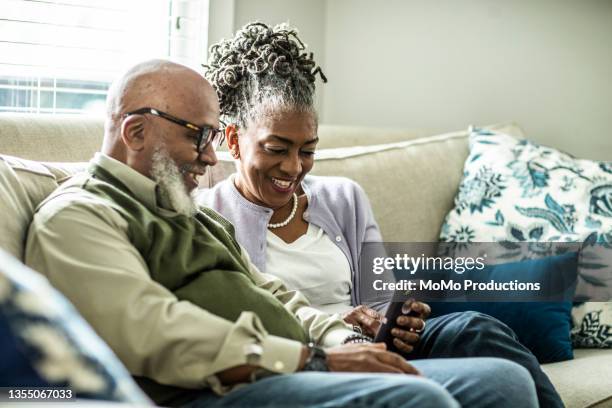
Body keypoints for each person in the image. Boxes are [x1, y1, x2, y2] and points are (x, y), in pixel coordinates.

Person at [24, 59, 537, 408]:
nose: (208, 157)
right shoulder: (80, 215)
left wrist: (349, 342)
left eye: (209, 137)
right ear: (136, 132)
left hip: (303, 363)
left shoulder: (189, 215)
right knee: (418, 398)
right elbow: (153, 330)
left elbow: (277, 296)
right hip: (214, 388)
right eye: (198, 136)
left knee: (503, 381)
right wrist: (319, 358)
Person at [199, 22, 563, 408]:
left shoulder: (344, 197)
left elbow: (380, 301)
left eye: (307, 150)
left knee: (474, 328)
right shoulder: (207, 216)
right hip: (308, 363)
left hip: (374, 348)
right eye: (277, 148)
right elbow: (236, 331)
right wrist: (337, 330)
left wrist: (396, 322)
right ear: (235, 140)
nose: (293, 167)